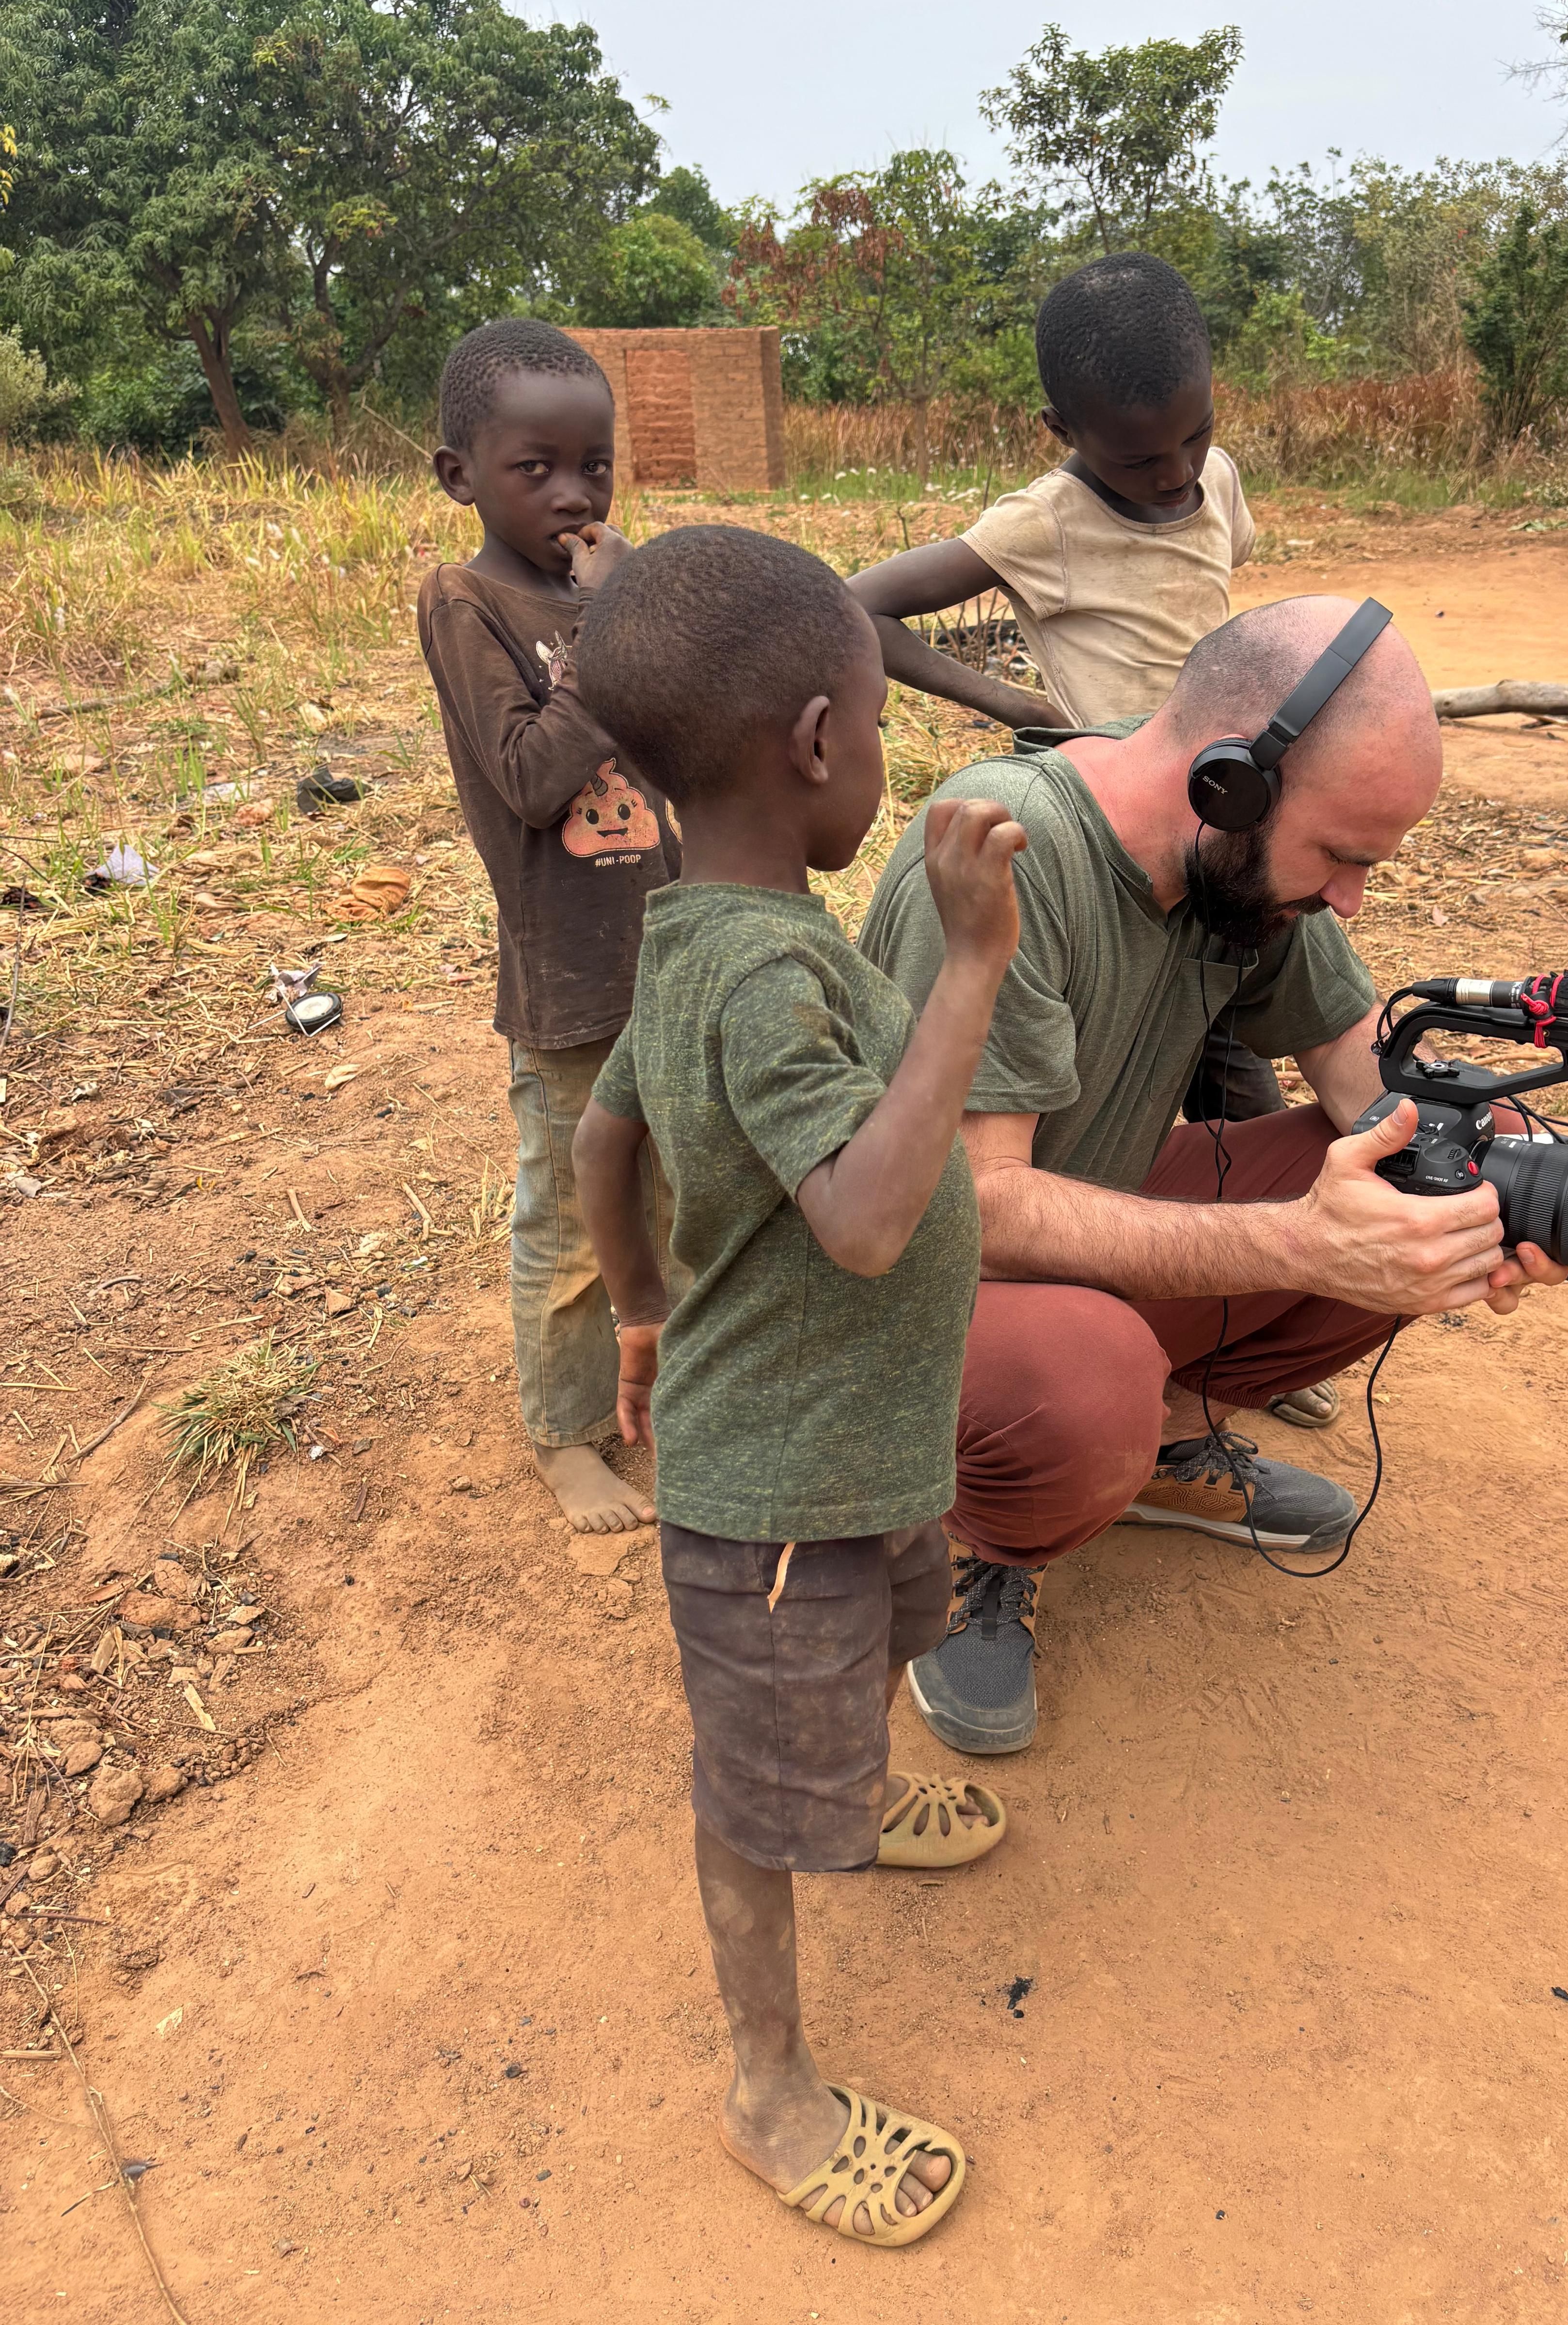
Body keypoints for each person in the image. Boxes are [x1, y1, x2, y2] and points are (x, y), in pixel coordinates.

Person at [860, 594, 1568, 1756]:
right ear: (1228, 782)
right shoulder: (1004, 853)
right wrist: (1298, 1243)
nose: (1350, 898)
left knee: (1405, 1183)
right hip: (905, 1291)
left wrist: (1510, 1180)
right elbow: (971, 1210)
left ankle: (1160, 1451)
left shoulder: (1238, 858)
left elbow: (1366, 1091)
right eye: (1343, 857)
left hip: (1070, 1232)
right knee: (1088, 1383)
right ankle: (971, 1539)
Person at [570, 523, 1027, 2248]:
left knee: (890, 1627)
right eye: (881, 722)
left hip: (851, 1460)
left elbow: (611, 1128)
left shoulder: (705, 936)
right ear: (821, 744)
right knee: (756, 1794)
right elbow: (861, 1219)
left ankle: (872, 1784)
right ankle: (767, 2090)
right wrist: (972, 965)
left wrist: (636, 1308)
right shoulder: (764, 975)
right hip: (771, 1508)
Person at [848, 249, 1336, 1429]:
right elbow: (854, 604)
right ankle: (1065, 1342)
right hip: (1100, 830)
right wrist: (1012, 704)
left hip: (1224, 819)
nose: (1171, 477)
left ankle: (1223, 1322)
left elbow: (1214, 601)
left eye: (1190, 439)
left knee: (1235, 1065)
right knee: (1081, 1083)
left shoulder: (1215, 479)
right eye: (1136, 458)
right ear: (1059, 426)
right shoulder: (1044, 522)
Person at [421, 316, 673, 1537]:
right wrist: (608, 637)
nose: (576, 494)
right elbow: (528, 777)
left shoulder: (609, 594)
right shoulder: (466, 602)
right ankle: (566, 1432)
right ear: (460, 474)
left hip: (669, 952)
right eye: (538, 468)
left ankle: (648, 1393)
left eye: (597, 465)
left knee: (669, 1193)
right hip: (570, 978)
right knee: (575, 1219)